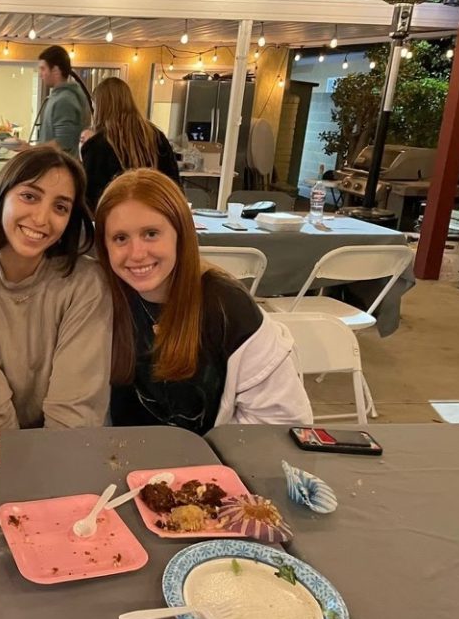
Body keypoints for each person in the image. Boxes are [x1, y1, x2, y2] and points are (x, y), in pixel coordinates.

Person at [95, 169, 312, 434]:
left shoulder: (227, 307)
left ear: (181, 234)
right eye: (120, 238)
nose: (137, 253)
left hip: (210, 467)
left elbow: (283, 422)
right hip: (120, 461)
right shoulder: (102, 298)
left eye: (151, 233)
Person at [0, 145, 111, 429]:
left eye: (60, 207)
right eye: (29, 196)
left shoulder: (87, 284)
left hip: (71, 450)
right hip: (2, 451)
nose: (41, 219)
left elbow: (75, 414)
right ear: (0, 197)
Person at [82, 77, 180, 211]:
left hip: (115, 218)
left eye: (94, 105)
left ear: (100, 106)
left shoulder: (97, 145)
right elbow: (174, 186)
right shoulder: (156, 137)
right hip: (155, 213)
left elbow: (90, 198)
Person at [14, 46, 92, 158]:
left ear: (55, 70)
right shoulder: (61, 97)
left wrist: (30, 149)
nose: (40, 74)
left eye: (43, 69)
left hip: (61, 169)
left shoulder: (64, 100)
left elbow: (62, 144)